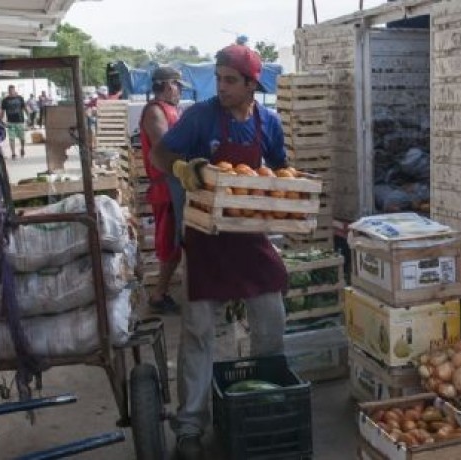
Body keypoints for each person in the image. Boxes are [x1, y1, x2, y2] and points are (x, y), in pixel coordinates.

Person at [150, 44, 288, 460]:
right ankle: (190, 426)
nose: (221, 87)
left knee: (271, 316)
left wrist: (288, 191)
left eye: (231, 80)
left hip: (249, 238)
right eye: (219, 77)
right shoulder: (201, 116)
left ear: (251, 85)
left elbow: (280, 169)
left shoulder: (268, 122)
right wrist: (179, 168)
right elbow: (160, 152)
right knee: (198, 331)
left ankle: (265, 402)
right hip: (205, 237)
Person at [138, 66, 190, 314]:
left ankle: (165, 290)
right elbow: (164, 148)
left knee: (177, 242)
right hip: (167, 186)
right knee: (170, 243)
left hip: (176, 183)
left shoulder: (171, 110)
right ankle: (159, 294)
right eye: (178, 86)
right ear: (169, 85)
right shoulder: (155, 112)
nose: (179, 91)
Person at [0, 85, 29, 160]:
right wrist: (0, 120)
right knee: (11, 138)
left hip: (20, 121)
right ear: (8, 91)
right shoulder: (5, 100)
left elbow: (25, 108)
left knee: (22, 138)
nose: (11, 92)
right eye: (10, 91)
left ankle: (22, 148)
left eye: (12, 91)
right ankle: (13, 153)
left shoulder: (20, 98)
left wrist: (29, 117)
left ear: (15, 91)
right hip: (10, 122)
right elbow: (2, 111)